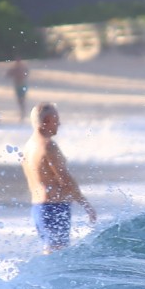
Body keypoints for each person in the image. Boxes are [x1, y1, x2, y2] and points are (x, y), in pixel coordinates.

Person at [22, 101, 96, 252]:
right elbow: (65, 179)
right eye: (57, 119)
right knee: (57, 252)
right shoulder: (48, 146)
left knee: (50, 250)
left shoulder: (29, 146)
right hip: (54, 207)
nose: (59, 123)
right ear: (48, 120)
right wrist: (85, 204)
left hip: (38, 208)